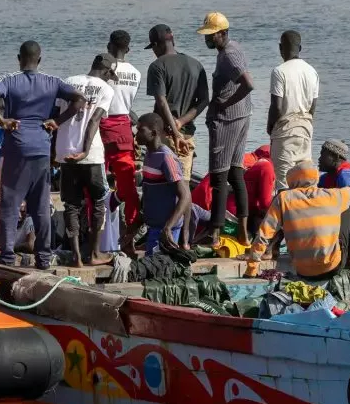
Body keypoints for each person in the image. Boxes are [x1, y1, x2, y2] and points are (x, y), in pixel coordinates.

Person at [0, 40, 85, 269]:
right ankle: (44, 258)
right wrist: (57, 121)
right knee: (40, 207)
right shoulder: (53, 82)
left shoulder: (10, 80)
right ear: (39, 60)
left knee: (10, 204)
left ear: (19, 59)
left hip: (16, 148)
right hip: (41, 148)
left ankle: (7, 256)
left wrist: (1, 121)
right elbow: (80, 100)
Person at [198, 12, 255, 247]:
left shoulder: (229, 55)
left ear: (222, 33)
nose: (207, 40)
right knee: (235, 173)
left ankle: (215, 233)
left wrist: (223, 103)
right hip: (243, 115)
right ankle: (243, 230)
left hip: (228, 120)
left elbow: (248, 84)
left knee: (219, 177)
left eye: (211, 35)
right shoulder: (233, 49)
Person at [247, 160, 350, 279]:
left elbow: (264, 234)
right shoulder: (334, 195)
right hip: (331, 267)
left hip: (302, 270)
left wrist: (251, 269)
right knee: (349, 207)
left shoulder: (284, 198)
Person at [55, 53, 116, 267]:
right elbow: (94, 122)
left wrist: (56, 151)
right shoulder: (106, 89)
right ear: (108, 72)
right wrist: (84, 151)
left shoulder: (69, 82)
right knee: (99, 203)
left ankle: (77, 258)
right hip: (91, 155)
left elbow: (57, 114)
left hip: (64, 151)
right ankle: (95, 253)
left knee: (71, 205)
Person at [145, 24, 209, 182]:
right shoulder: (196, 65)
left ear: (155, 45)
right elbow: (204, 100)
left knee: (159, 185)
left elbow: (161, 101)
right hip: (187, 136)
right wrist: (181, 122)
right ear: (172, 40)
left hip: (164, 137)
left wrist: (175, 132)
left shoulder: (157, 66)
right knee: (183, 185)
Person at [132, 112, 191, 254]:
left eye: (141, 130)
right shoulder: (149, 155)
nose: (136, 134)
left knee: (158, 268)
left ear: (153, 133)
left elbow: (186, 196)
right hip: (154, 226)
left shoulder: (166, 157)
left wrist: (169, 228)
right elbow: (148, 190)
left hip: (166, 229)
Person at [190, 145, 275, 242]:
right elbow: (265, 203)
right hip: (221, 207)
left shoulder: (245, 159)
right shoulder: (265, 166)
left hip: (209, 199)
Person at [101, 30, 142, 229]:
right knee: (128, 183)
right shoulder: (136, 73)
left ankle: (97, 224)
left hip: (101, 126)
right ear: (128, 49)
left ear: (109, 46)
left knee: (97, 179)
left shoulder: (103, 68)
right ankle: (131, 230)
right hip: (124, 128)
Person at [268, 30, 319, 186]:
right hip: (305, 130)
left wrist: (270, 127)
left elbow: (276, 106)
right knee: (305, 180)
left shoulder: (279, 71)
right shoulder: (312, 71)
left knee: (283, 182)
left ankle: (285, 210)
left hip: (285, 133)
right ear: (300, 48)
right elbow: (312, 107)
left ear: (280, 48)